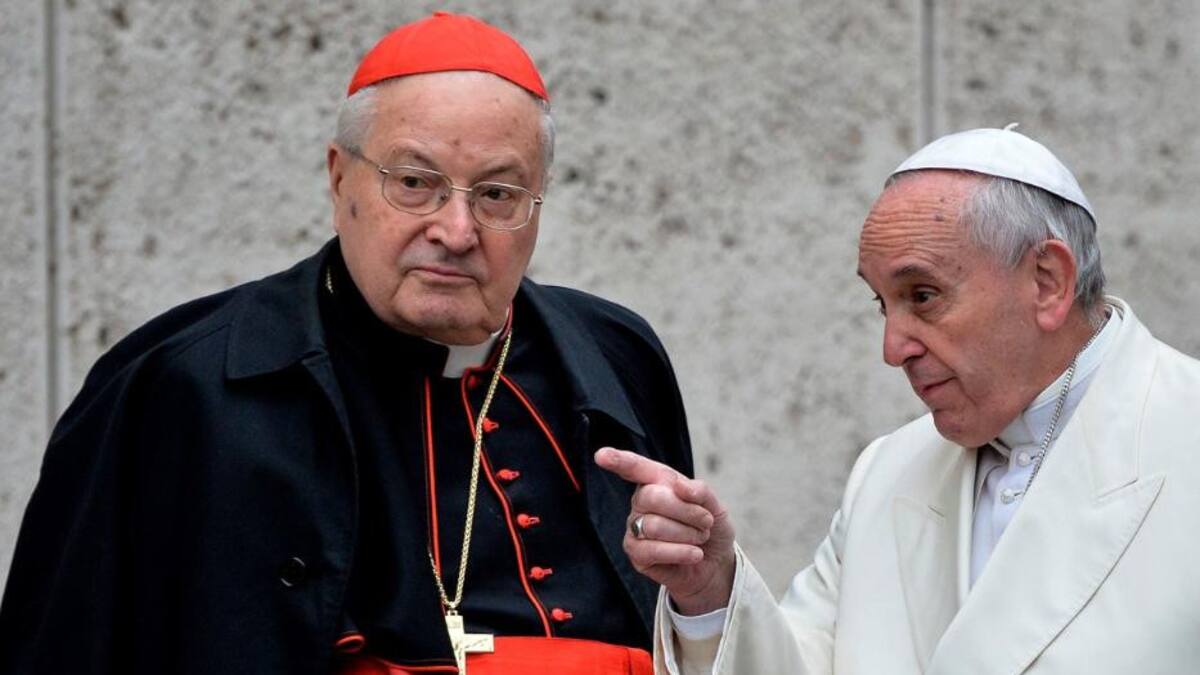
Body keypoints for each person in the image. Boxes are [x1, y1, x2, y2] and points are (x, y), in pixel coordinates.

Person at [0, 12, 691, 675]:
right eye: (415, 183)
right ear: (339, 177)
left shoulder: (617, 355)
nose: (456, 229)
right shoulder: (178, 382)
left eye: (498, 194)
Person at [597, 125, 1200, 674]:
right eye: (883, 304)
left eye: (924, 294)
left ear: (1047, 281)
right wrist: (709, 595)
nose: (893, 348)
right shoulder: (887, 473)